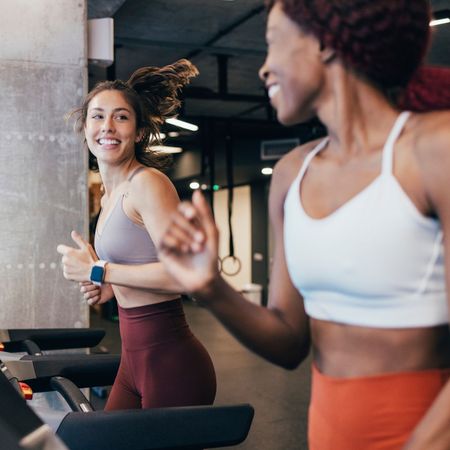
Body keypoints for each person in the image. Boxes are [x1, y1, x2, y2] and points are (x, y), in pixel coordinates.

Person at [158, 1, 450, 449]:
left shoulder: (433, 149)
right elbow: (290, 342)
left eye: (272, 44)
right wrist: (210, 286)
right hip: (327, 432)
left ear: (324, 42)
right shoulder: (294, 174)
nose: (263, 69)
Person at [56, 59, 216, 410]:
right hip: (132, 362)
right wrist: (109, 288)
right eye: (97, 115)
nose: (107, 126)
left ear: (139, 132)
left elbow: (188, 275)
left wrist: (99, 271)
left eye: (121, 117)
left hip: (172, 363)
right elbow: (143, 264)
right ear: (85, 127)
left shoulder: (147, 183)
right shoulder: (111, 193)